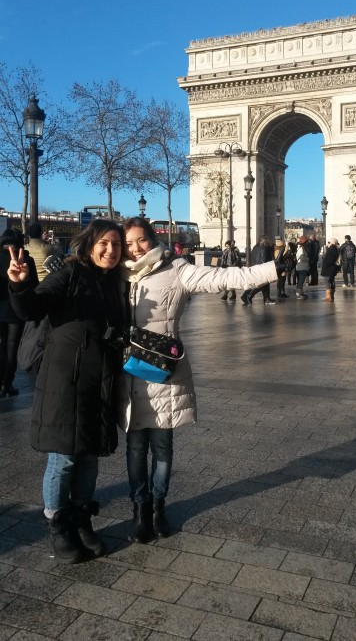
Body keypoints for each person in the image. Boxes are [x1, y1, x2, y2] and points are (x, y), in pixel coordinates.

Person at [117, 217, 277, 543]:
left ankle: (158, 507)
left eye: (140, 241)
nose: (134, 248)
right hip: (129, 374)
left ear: (154, 238)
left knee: (161, 447)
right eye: (128, 243)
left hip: (164, 371)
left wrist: (270, 269)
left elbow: (223, 277)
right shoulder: (116, 274)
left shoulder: (178, 269)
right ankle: (140, 511)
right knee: (135, 449)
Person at [7, 219, 126, 564]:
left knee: (89, 456)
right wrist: (19, 283)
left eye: (116, 245)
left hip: (99, 380)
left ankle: (80, 519)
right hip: (64, 380)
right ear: (89, 244)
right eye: (104, 243)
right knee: (63, 458)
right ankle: (57, 525)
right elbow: (33, 307)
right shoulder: (70, 274)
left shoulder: (116, 282)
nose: (110, 250)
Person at [0, 229, 38, 398]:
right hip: (16, 310)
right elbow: (35, 285)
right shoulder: (27, 260)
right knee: (12, 347)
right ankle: (7, 383)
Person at [241, 236, 275, 305]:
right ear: (265, 241)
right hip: (262, 268)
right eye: (267, 241)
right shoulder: (264, 248)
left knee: (264, 284)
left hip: (255, 267)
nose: (269, 242)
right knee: (262, 284)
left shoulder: (255, 247)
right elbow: (264, 260)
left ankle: (266, 298)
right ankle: (249, 295)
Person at [295, 235, 311, 299]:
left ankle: (300, 292)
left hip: (300, 266)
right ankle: (299, 293)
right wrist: (308, 259)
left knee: (301, 280)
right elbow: (302, 257)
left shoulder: (300, 248)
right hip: (302, 266)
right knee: (301, 280)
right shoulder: (301, 248)